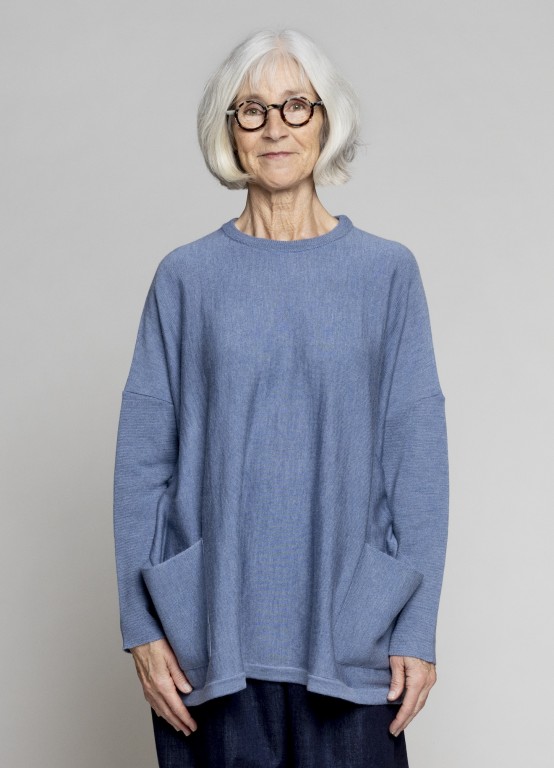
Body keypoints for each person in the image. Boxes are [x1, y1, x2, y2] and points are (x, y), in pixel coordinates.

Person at [113, 28, 449, 768]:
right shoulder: (186, 278)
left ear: (326, 121)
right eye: (252, 109)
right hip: (211, 637)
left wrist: (416, 628)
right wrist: (141, 627)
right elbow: (142, 465)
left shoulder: (386, 274)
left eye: (297, 105)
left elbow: (417, 464)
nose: (275, 127)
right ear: (229, 130)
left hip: (352, 636)